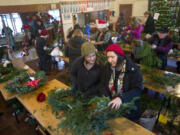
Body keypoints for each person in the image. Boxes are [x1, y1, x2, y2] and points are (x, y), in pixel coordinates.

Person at [102, 44, 142, 121]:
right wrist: (106, 98)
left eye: (112, 57)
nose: (109, 60)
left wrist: (121, 98)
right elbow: (103, 84)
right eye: (108, 57)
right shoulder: (108, 67)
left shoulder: (133, 70)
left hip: (129, 110)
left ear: (120, 56)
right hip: (113, 107)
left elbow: (137, 90)